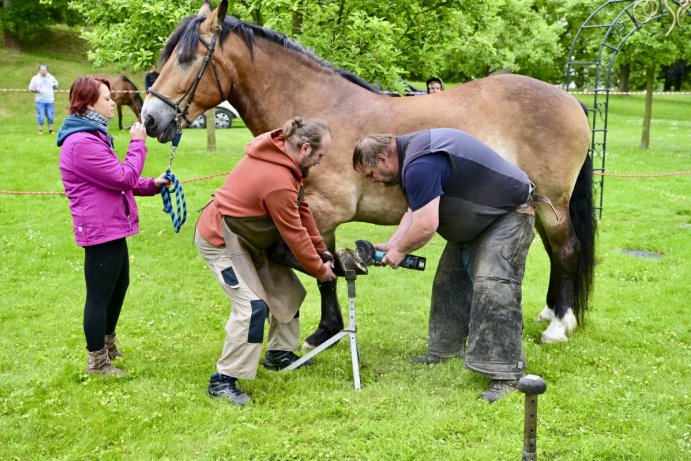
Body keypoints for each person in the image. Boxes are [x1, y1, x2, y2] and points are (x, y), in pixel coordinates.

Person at [352, 128, 536, 403]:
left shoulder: (419, 163)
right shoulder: (411, 158)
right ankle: (445, 350)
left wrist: (401, 251)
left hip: (507, 213)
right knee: (448, 282)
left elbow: (426, 225)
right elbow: (415, 210)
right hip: (479, 219)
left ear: (382, 158)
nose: (373, 181)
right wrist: (393, 244)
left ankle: (506, 375)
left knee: (493, 286)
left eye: (370, 174)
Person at [195, 117, 337, 405]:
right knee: (251, 307)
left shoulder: (284, 159)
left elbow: (302, 209)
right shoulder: (277, 179)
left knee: (288, 291)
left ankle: (279, 354)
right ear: (306, 148)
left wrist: (322, 251)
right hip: (222, 240)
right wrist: (320, 271)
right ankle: (223, 380)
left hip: (252, 239)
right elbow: (294, 234)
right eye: (321, 156)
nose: (321, 162)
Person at [57, 76, 170, 377]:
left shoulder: (92, 136)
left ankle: (108, 345)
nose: (112, 102)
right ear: (89, 103)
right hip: (99, 228)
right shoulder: (81, 142)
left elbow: (115, 179)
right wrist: (137, 144)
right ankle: (97, 362)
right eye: (107, 98)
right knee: (99, 295)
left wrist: (152, 185)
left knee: (118, 286)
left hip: (112, 225)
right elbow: (122, 178)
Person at [29, 64, 59, 134]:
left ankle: (51, 130)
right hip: (40, 101)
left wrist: (50, 90)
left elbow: (56, 85)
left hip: (50, 101)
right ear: (39, 71)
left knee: (50, 116)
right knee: (41, 116)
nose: (43, 71)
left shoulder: (51, 77)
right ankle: (40, 130)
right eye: (42, 70)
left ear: (47, 70)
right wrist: (36, 90)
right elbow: (30, 88)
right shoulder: (35, 78)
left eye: (45, 70)